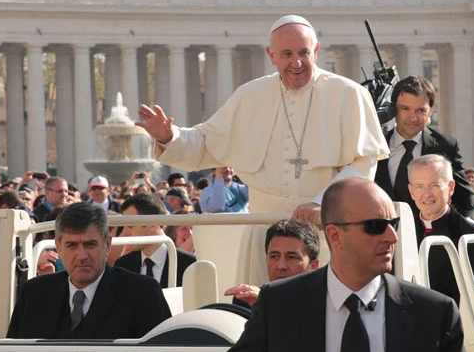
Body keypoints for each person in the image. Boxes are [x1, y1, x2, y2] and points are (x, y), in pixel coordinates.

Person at [154, 178, 474, 352]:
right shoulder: (281, 307)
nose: (391, 237)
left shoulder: (434, 314)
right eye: (376, 226)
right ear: (335, 236)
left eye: (394, 224)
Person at [137, 15, 387, 284]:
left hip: (327, 230)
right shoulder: (250, 96)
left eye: (304, 52)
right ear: (271, 55)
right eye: (287, 54)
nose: (297, 63)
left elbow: (365, 162)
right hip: (264, 234)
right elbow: (207, 141)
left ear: (316, 50)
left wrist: (323, 201)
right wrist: (169, 136)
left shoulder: (348, 94)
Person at [7, 202, 171, 339]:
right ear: (58, 247)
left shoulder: (143, 293)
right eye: (71, 245)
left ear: (107, 245)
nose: (81, 256)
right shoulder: (35, 294)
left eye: (90, 244)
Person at [408, 155, 474, 303]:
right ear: (411, 191)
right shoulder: (402, 233)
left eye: (435, 185)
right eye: (420, 186)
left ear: (451, 187)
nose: (427, 194)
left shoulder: (473, 238)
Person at [374, 75, 474, 221]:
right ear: (393, 109)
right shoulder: (375, 145)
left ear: (431, 110)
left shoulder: (445, 146)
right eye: (405, 109)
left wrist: (469, 230)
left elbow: (465, 198)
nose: (413, 118)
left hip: (429, 238)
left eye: (420, 110)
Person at [224, 218, 320, 308]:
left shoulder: (326, 306)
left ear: (313, 266)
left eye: (291, 257)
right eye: (274, 256)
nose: (281, 266)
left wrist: (270, 303)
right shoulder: (248, 300)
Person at [114, 193, 196, 288]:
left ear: (153, 224)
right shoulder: (123, 265)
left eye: (130, 225)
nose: (125, 232)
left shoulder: (189, 264)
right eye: (123, 226)